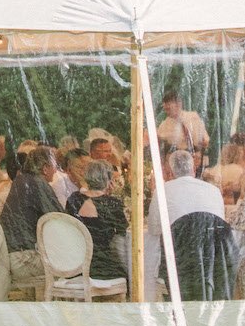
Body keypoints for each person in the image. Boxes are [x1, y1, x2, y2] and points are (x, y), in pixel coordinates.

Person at [145, 149, 224, 280]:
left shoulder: (162, 191)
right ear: (193, 168)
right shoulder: (214, 191)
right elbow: (221, 227)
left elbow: (153, 229)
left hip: (177, 262)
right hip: (210, 261)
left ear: (170, 172)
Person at [0, 145, 61, 297]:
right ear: (46, 168)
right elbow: (60, 220)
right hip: (23, 261)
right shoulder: (38, 183)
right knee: (73, 264)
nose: (57, 170)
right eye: (55, 166)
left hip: (7, 257)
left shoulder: (21, 180)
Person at [65, 159, 128, 284]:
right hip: (101, 267)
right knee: (129, 274)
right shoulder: (112, 203)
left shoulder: (74, 199)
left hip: (74, 265)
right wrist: (110, 195)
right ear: (109, 180)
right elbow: (121, 233)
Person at [157, 92, 209, 166]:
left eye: (168, 109)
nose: (167, 112)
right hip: (175, 161)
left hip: (193, 159)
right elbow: (157, 139)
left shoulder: (193, 117)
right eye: (165, 109)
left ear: (179, 104)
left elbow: (205, 141)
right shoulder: (164, 125)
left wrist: (199, 146)